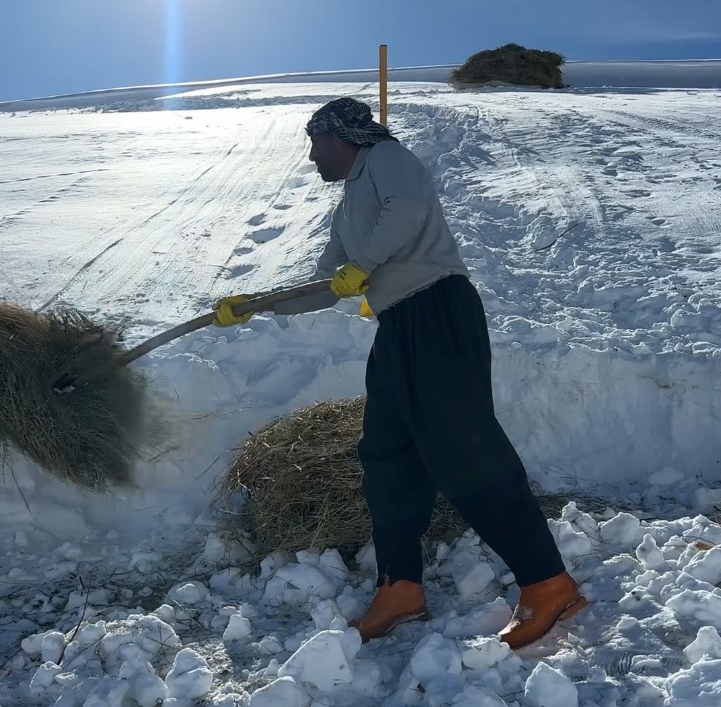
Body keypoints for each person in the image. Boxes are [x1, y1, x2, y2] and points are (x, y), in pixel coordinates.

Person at [212, 97, 587, 650]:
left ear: (342, 139)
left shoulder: (386, 158)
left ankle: (548, 582)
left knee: (464, 446)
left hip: (438, 309)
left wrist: (360, 268)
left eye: (316, 143)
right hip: (397, 325)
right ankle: (401, 586)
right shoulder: (346, 208)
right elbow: (326, 284)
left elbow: (408, 210)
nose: (312, 156)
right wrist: (257, 305)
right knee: (387, 455)